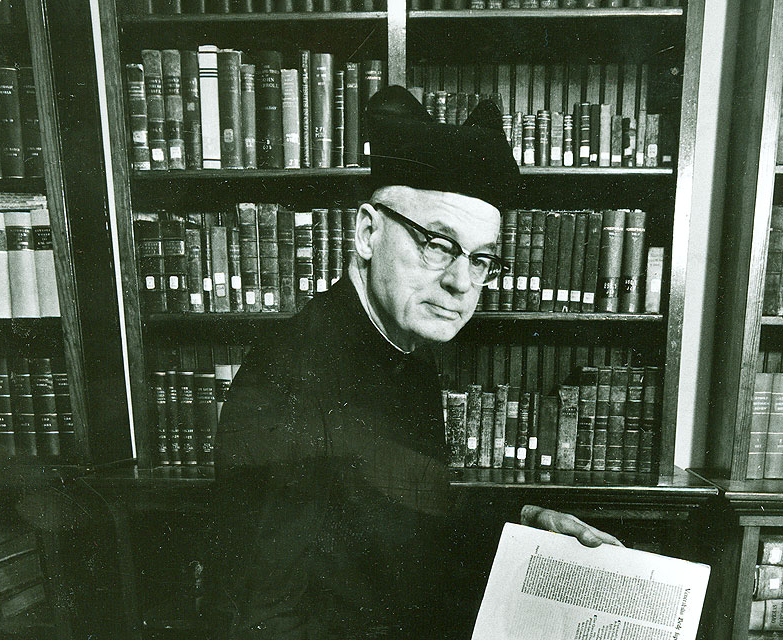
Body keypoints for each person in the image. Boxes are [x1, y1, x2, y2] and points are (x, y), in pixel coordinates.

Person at [214, 86, 622, 640]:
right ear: (366, 232)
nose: (459, 282)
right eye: (436, 243)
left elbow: (407, 518)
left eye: (480, 260)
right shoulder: (292, 376)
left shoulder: (403, 342)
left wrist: (526, 524)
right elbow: (264, 615)